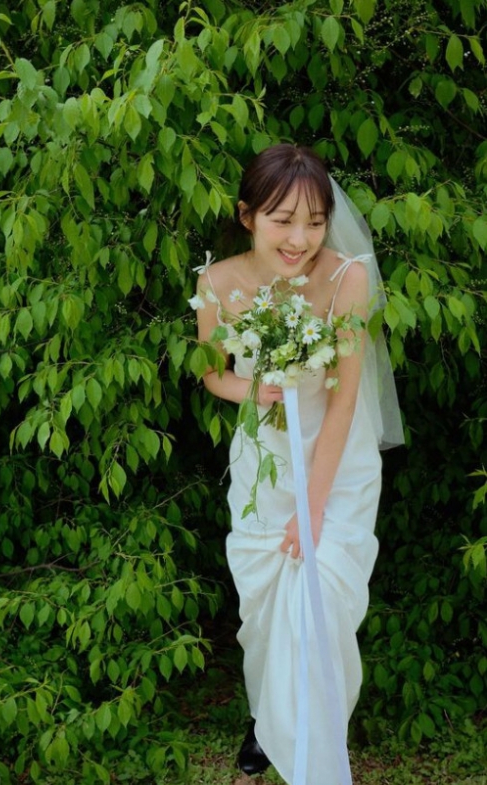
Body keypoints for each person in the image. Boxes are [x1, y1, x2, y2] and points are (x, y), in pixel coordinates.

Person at [194, 144, 404, 784]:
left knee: (326, 610)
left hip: (337, 464)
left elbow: (344, 400)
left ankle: (315, 746)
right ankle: (266, 722)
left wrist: (313, 505)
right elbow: (212, 375)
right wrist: (253, 389)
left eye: (315, 222)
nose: (300, 239)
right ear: (247, 216)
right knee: (264, 611)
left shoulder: (347, 279)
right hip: (265, 461)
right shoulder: (216, 284)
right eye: (283, 220)